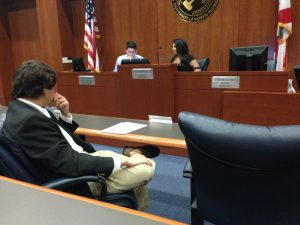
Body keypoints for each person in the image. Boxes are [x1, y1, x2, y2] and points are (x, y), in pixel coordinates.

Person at [2, 60, 160, 210]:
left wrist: (65, 115)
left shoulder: (22, 109)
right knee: (146, 168)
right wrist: (125, 161)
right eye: (54, 88)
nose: (56, 92)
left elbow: (56, 139)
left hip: (82, 157)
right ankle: (133, 155)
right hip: (77, 175)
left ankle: (135, 212)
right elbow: (67, 163)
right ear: (45, 89)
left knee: (139, 167)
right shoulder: (30, 120)